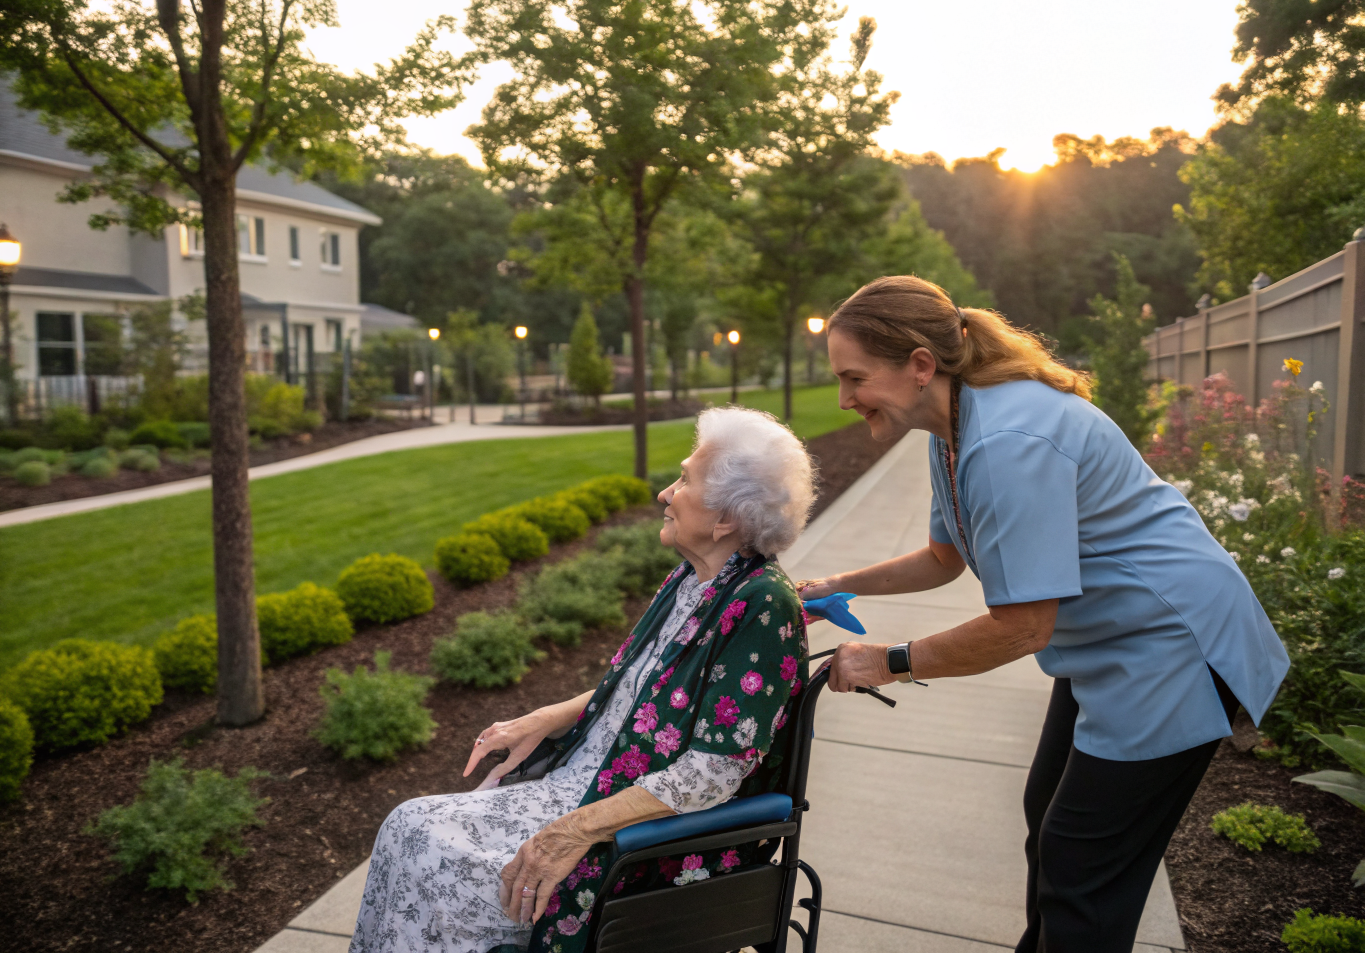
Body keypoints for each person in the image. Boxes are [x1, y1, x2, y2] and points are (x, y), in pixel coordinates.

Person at [800, 275, 1289, 953]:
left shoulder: (1005, 441)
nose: (844, 399)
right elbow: (944, 557)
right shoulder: (953, 428)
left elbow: (1023, 627)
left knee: (1082, 870)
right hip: (1117, 642)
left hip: (1173, 646)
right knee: (1050, 823)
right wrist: (832, 585)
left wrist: (888, 663)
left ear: (919, 366)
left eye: (854, 378)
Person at [350, 406, 814, 953]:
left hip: (640, 840)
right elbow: (651, 692)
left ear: (725, 519)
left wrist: (572, 831)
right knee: (407, 826)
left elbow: (711, 774)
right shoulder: (695, 578)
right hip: (587, 792)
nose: (665, 493)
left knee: (432, 859)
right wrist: (545, 717)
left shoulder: (761, 604)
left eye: (684, 479)